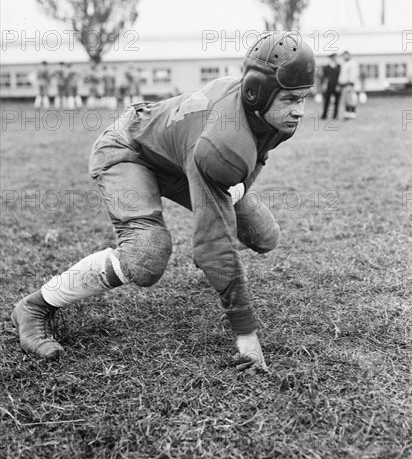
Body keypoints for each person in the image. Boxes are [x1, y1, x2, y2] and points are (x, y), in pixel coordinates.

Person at [11, 32, 316, 371]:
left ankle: (209, 256)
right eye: (290, 99)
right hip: (131, 149)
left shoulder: (272, 116)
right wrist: (246, 334)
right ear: (256, 90)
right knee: (147, 254)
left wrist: (240, 186)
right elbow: (216, 238)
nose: (299, 111)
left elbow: (258, 154)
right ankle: (36, 305)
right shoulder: (222, 141)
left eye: (304, 98)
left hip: (178, 159)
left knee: (264, 235)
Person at [339, 51, 360, 120]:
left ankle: (352, 114)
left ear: (348, 55)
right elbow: (342, 75)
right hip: (344, 85)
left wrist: (351, 83)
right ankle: (347, 114)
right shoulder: (344, 63)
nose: (344, 57)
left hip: (350, 85)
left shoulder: (353, 63)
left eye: (345, 55)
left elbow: (353, 74)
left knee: (351, 100)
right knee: (346, 100)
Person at [321, 53, 341, 119]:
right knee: (326, 101)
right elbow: (324, 77)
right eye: (333, 57)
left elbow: (341, 77)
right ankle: (324, 115)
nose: (334, 59)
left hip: (336, 86)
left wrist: (339, 85)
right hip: (329, 86)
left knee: (337, 102)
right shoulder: (326, 67)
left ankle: (335, 115)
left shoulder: (339, 66)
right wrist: (323, 85)